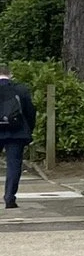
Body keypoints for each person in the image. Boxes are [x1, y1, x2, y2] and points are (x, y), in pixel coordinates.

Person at [0, 65, 35, 209]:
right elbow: (30, 112)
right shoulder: (21, 89)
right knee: (13, 165)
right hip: (16, 132)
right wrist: (28, 130)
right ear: (10, 75)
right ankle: (9, 198)